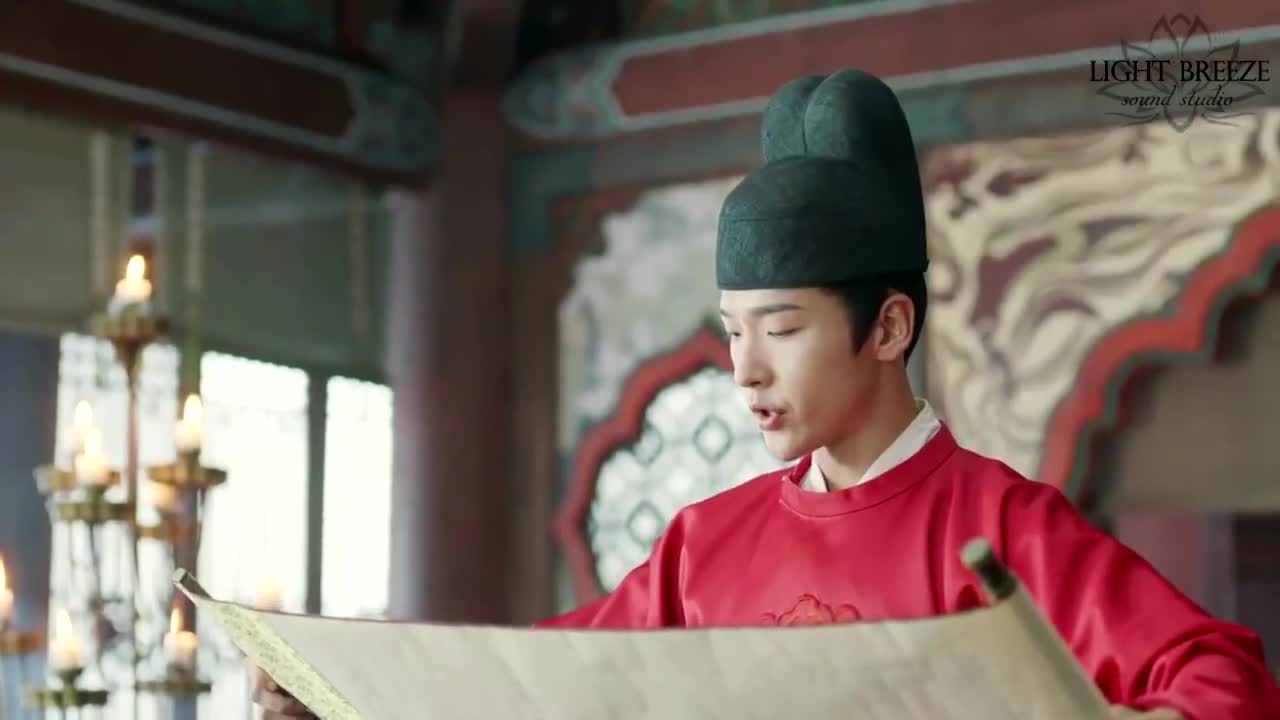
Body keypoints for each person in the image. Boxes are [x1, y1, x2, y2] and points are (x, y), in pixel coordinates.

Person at [252, 70, 1280, 719]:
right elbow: (531, 687)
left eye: (781, 330)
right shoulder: (701, 549)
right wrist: (342, 689)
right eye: (731, 330)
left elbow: (1224, 681)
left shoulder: (1002, 529)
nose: (743, 368)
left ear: (888, 327)